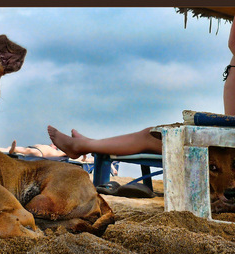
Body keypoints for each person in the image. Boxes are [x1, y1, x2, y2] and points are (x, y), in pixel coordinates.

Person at [48, 17, 235, 160]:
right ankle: (86, 144)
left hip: (227, 145)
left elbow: (233, 42)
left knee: (150, 136)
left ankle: (83, 145)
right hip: (227, 138)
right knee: (152, 135)